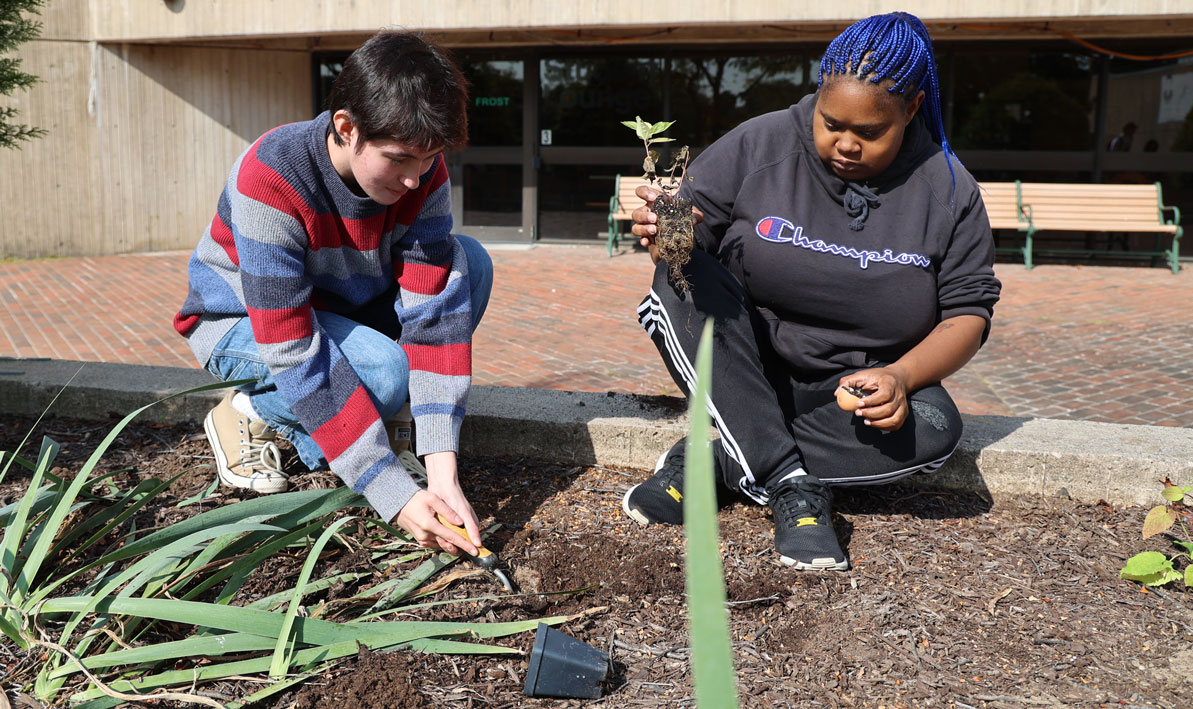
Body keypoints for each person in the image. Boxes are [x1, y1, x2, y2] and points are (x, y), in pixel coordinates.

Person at [622, 12, 1001, 571]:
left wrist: (899, 378)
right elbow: (685, 248)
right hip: (746, 373)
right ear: (817, 96)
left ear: (913, 109)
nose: (846, 144)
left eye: (869, 133)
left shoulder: (948, 189)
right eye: (831, 124)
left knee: (938, 428)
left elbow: (968, 313)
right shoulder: (761, 143)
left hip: (848, 395)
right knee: (679, 278)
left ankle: (723, 458)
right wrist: (664, 233)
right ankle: (791, 485)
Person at [173, 31, 490, 558]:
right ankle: (248, 411)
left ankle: (367, 417)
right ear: (346, 128)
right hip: (241, 320)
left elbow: (434, 321)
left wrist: (442, 471)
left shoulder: (422, 173)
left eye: (429, 158)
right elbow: (292, 344)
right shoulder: (273, 175)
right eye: (398, 159)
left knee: (468, 265)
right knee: (384, 373)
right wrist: (389, 490)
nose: (415, 180)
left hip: (343, 307)